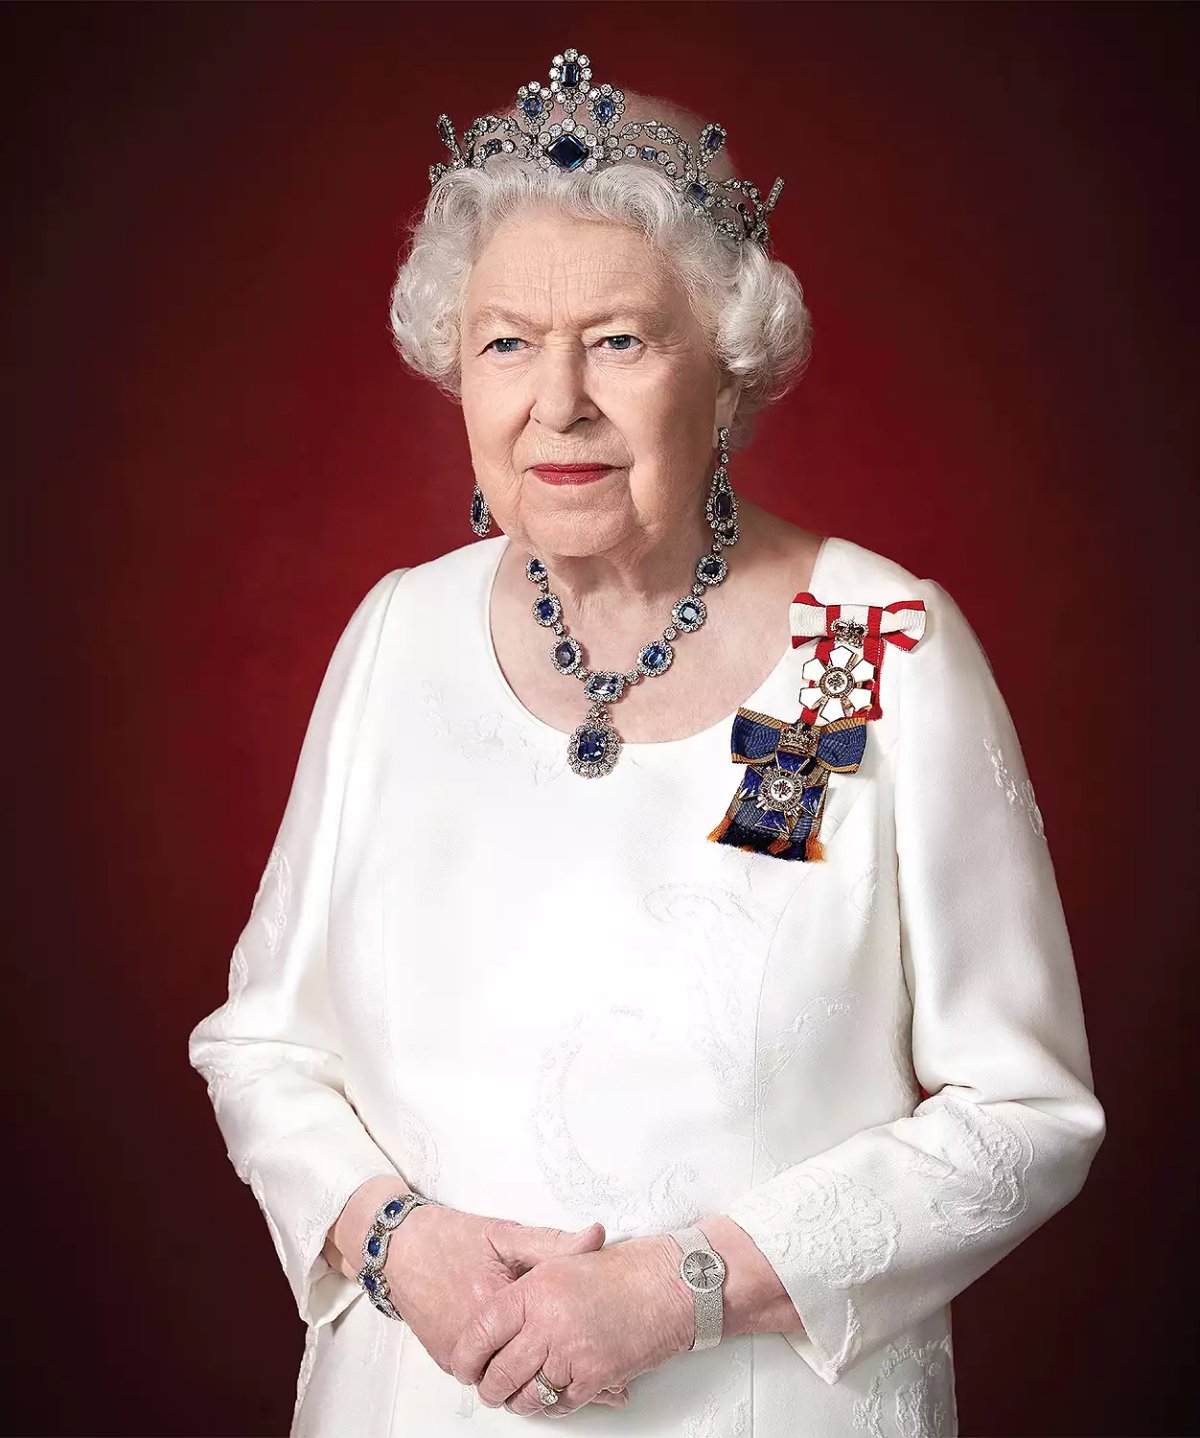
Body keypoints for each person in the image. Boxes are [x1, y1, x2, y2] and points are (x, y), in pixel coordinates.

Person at [188, 43, 1106, 1437]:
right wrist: (394, 1244)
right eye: (507, 343)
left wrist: (686, 1287)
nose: (557, 402)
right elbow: (262, 1045)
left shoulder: (857, 650)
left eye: (619, 339)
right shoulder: (397, 635)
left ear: (726, 373)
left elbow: (1022, 1111)